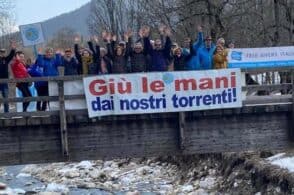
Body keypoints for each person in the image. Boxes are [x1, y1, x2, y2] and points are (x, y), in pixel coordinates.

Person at [0, 41, 16, 113]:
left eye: (3, 52)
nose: (2, 53)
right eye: (1, 52)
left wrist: (13, 48)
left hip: (4, 82)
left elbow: (11, 55)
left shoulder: (5, 59)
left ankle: (7, 114)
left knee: (6, 98)